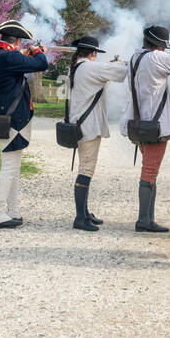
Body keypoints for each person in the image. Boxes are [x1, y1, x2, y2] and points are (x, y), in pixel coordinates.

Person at [119, 25, 170, 233]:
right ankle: (144, 219)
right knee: (150, 170)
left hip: (139, 121)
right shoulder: (156, 57)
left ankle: (148, 217)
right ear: (160, 45)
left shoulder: (135, 57)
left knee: (149, 169)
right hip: (155, 124)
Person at [0, 20, 49, 229]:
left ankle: (13, 210)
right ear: (18, 40)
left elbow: (15, 66)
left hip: (2, 116)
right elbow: (42, 64)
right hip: (12, 121)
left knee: (12, 168)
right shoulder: (10, 57)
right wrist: (37, 51)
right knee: (10, 168)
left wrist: (26, 55)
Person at [66, 35, 127, 232]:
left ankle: (84, 212)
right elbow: (121, 73)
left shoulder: (79, 67)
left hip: (81, 124)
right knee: (86, 170)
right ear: (92, 53)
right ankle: (79, 217)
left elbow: (103, 77)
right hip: (88, 125)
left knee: (86, 168)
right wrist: (118, 63)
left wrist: (111, 65)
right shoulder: (89, 67)